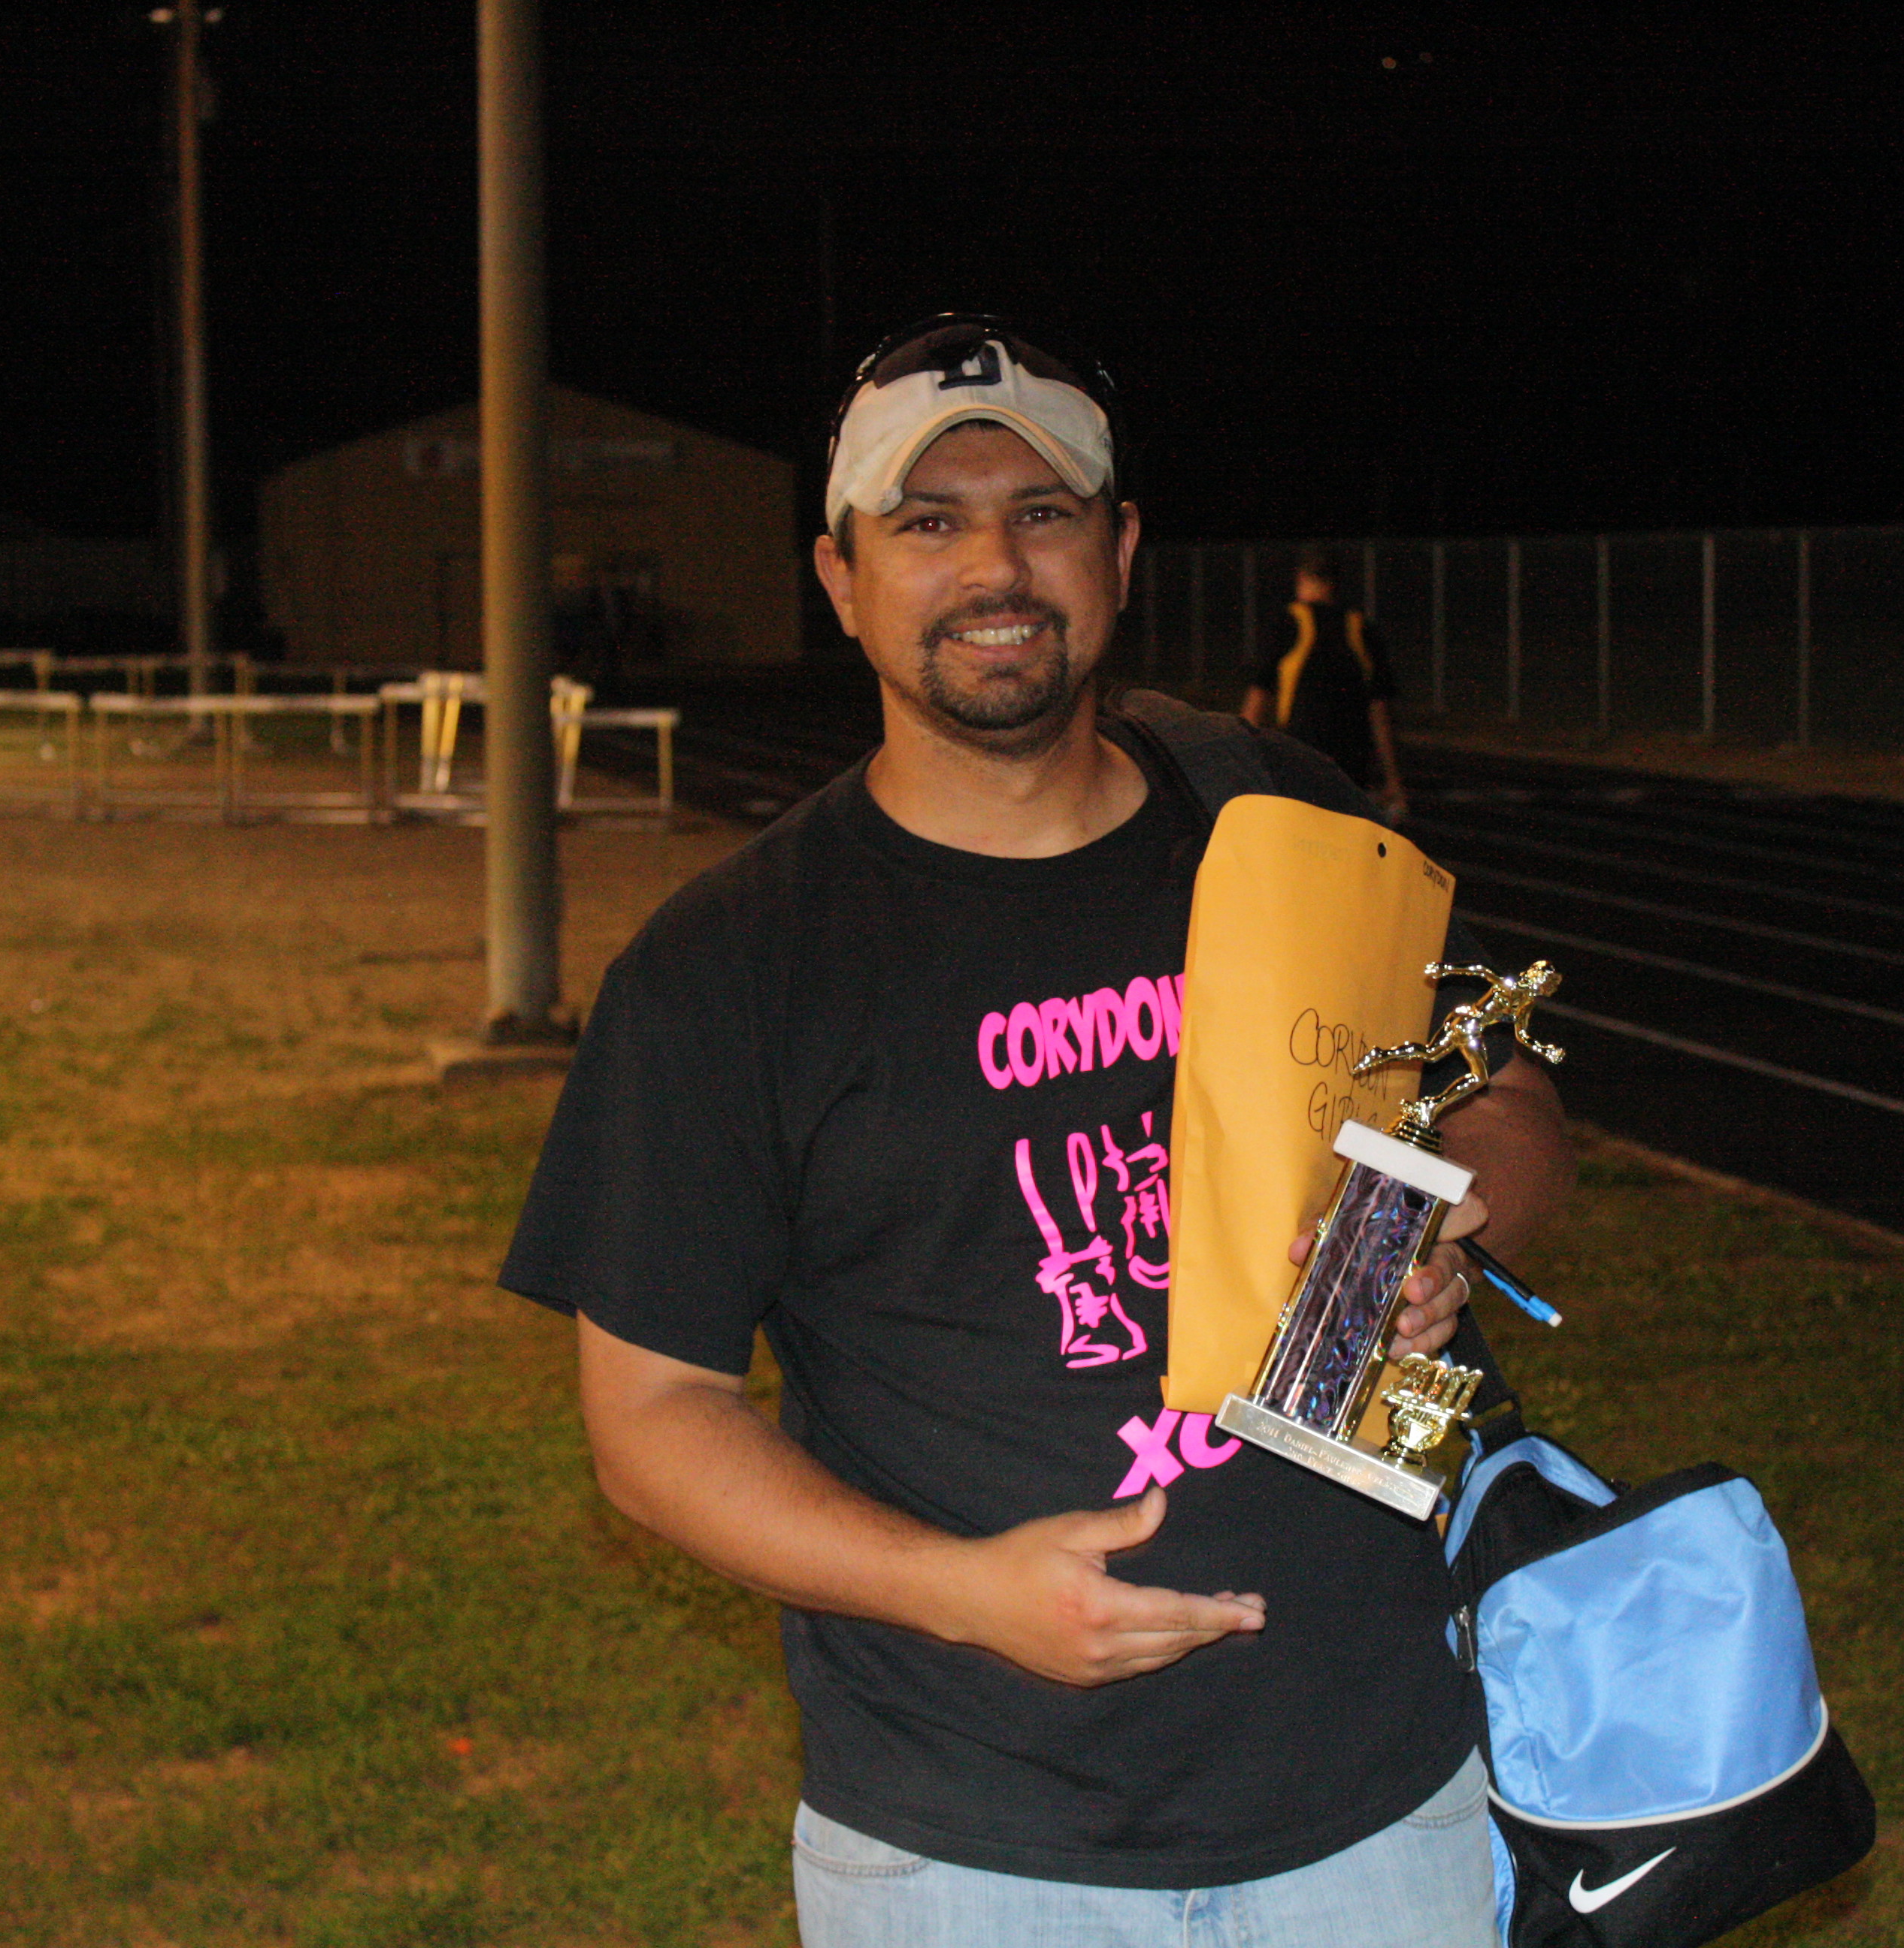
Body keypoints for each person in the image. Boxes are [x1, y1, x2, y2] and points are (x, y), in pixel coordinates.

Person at [500, 316, 1571, 1946]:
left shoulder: (1279, 820)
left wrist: (1445, 1216)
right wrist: (959, 1592)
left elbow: (1507, 1097)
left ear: (1119, 551)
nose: (993, 566)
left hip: (1382, 1801)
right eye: (927, 522)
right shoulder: (728, 968)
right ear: (841, 576)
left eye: (1043, 512)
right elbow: (650, 1416)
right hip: (968, 1850)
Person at [1240, 552, 1407, 815]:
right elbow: (1379, 711)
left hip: (1299, 756)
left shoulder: (1289, 621)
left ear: (1301, 579)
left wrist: (1242, 761)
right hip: (1352, 764)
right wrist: (1393, 779)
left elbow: (1258, 696)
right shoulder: (1362, 628)